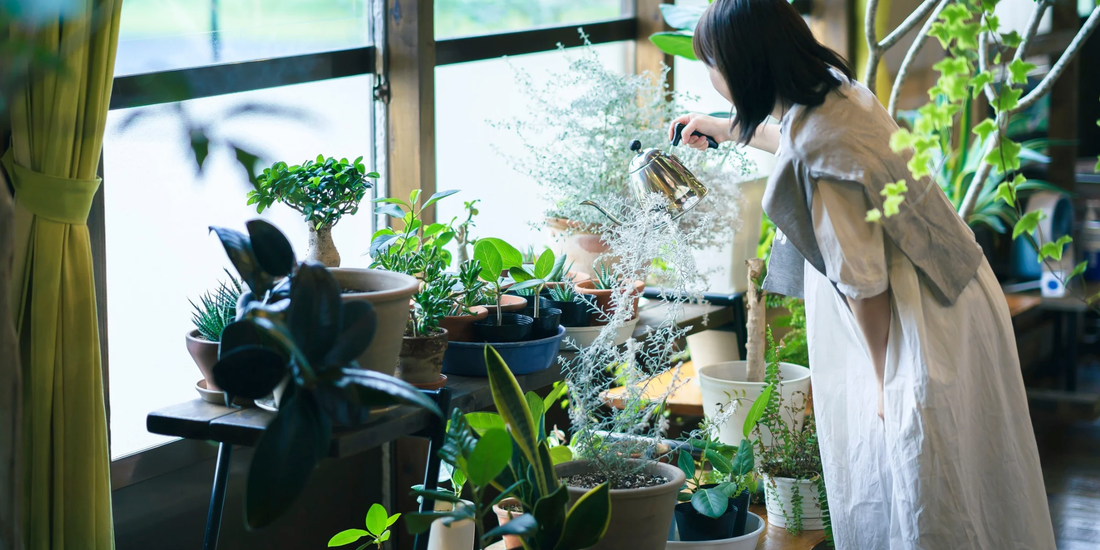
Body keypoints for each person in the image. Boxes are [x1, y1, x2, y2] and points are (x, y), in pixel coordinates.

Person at [672, 0, 1057, 548]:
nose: (711, 76)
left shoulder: (819, 157)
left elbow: (864, 283)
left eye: (712, 63)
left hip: (912, 327)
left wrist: (882, 383)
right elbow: (796, 139)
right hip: (957, 291)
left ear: (744, 67)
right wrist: (723, 128)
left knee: (921, 490)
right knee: (981, 476)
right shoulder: (838, 92)